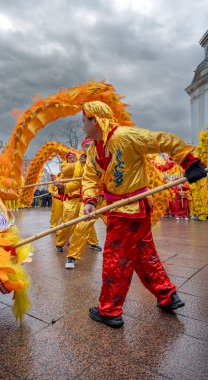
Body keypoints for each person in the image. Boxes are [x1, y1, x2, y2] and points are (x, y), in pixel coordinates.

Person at [81, 100, 207, 328]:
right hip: (119, 209)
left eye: (85, 120)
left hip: (129, 209)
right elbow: (89, 177)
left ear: (97, 120)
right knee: (143, 255)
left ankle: (109, 310)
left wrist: (189, 162)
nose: (83, 125)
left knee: (115, 260)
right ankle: (167, 295)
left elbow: (163, 140)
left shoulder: (124, 136)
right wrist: (90, 200)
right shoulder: (92, 149)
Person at [55, 138, 104, 269]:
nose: (89, 148)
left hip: (105, 198)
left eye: (91, 145)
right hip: (87, 199)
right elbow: (76, 183)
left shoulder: (101, 157)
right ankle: (71, 255)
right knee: (79, 225)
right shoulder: (79, 163)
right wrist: (63, 188)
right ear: (83, 148)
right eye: (86, 146)